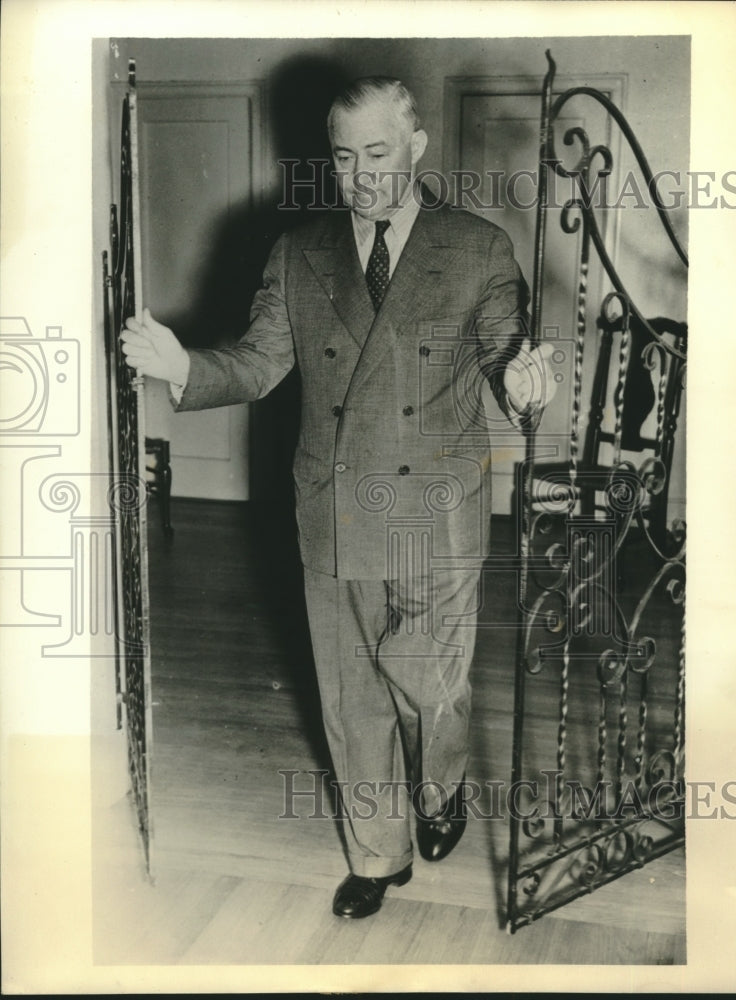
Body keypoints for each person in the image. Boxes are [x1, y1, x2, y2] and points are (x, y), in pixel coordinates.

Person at [121, 76, 554, 919]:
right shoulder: (300, 251)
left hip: (436, 506)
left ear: (418, 147)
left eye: (379, 154)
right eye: (344, 156)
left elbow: (506, 354)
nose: (359, 174)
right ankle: (377, 854)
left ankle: (439, 791)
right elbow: (258, 361)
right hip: (336, 502)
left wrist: (525, 386)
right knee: (352, 694)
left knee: (431, 684)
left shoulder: (475, 247)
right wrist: (184, 368)